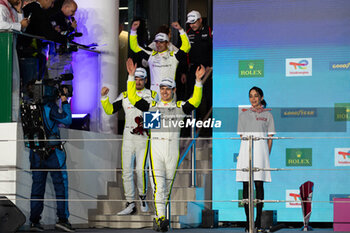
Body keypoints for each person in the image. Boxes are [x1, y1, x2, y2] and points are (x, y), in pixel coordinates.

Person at [126, 58, 205, 232]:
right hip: (156, 151)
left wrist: (198, 82)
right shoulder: (152, 106)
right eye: (162, 89)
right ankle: (161, 218)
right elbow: (132, 97)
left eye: (167, 89)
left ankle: (158, 218)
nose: (164, 92)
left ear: (174, 90)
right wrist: (131, 77)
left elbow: (195, 102)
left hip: (172, 152)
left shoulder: (179, 107)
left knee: (166, 187)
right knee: (158, 186)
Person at [100, 67, 158, 215]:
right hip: (128, 136)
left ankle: (143, 198)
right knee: (126, 171)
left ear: (145, 80)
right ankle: (130, 203)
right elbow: (110, 110)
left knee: (140, 170)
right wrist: (104, 98)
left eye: (140, 79)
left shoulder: (152, 94)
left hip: (144, 137)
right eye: (135, 78)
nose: (138, 81)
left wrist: (148, 129)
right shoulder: (125, 95)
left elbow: (155, 117)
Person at [29, 87, 75, 232]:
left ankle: (34, 221)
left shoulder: (30, 107)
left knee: (37, 187)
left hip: (35, 152)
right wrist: (64, 101)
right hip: (53, 152)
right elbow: (67, 119)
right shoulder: (50, 107)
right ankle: (62, 220)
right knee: (61, 185)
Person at [236, 87, 275, 232]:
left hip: (261, 152)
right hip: (246, 152)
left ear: (261, 97)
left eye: (256, 96)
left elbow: (270, 138)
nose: (253, 99)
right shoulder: (243, 115)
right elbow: (241, 136)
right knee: (246, 186)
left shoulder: (268, 115)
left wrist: (266, 155)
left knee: (259, 185)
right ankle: (248, 222)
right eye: (251, 96)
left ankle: (258, 221)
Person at [129, 20, 190, 94]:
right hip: (154, 95)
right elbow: (134, 47)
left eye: (161, 42)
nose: (158, 44)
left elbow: (186, 47)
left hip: (169, 95)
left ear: (167, 43)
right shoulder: (151, 56)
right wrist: (133, 30)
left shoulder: (174, 56)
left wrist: (181, 30)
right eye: (157, 42)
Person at [184, 10, 213, 123]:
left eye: (194, 22)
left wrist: (210, 66)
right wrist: (183, 72)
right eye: (190, 23)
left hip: (208, 70)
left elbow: (215, 50)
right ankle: (192, 124)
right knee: (192, 96)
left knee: (208, 96)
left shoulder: (209, 30)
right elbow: (183, 53)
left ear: (200, 20)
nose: (192, 25)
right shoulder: (187, 33)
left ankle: (208, 124)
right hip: (193, 70)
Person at [47, 0, 78, 79]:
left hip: (66, 56)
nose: (73, 14)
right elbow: (59, 35)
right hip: (57, 55)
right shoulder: (55, 17)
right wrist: (71, 28)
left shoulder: (67, 19)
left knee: (67, 81)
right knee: (55, 79)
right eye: (72, 11)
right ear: (66, 7)